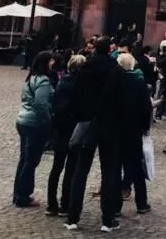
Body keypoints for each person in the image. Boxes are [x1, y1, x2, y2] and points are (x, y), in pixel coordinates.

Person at [65, 36, 122, 232]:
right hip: (108, 125)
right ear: (109, 51)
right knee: (109, 173)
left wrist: (80, 117)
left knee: (80, 172)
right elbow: (118, 100)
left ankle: (72, 217)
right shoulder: (115, 70)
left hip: (87, 123)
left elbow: (76, 96)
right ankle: (107, 220)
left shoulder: (84, 69)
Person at [13, 50, 55, 208]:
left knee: (24, 159)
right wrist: (48, 121)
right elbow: (40, 104)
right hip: (34, 123)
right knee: (30, 161)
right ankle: (23, 196)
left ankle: (18, 193)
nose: (53, 64)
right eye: (50, 61)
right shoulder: (43, 81)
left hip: (23, 120)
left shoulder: (30, 77)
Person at [46, 53, 86, 217]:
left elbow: (54, 102)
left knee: (56, 167)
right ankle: (65, 204)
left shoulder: (62, 82)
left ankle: (51, 204)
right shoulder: (83, 85)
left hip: (60, 128)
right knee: (71, 168)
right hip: (74, 129)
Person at [117, 53, 152, 215]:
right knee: (137, 167)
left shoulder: (115, 81)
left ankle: (114, 206)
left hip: (117, 129)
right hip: (134, 130)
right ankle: (141, 203)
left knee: (115, 166)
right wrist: (145, 128)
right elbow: (146, 109)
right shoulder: (139, 83)